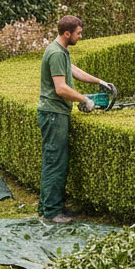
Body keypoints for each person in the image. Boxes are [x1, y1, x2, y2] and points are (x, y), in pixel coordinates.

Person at [37, 15, 116, 224]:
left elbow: (73, 70)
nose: (80, 36)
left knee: (55, 161)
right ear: (67, 33)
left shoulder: (60, 51)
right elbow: (61, 88)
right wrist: (84, 100)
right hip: (53, 114)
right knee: (55, 162)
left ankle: (50, 206)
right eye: (78, 33)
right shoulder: (55, 53)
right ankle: (52, 212)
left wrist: (100, 81)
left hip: (56, 113)